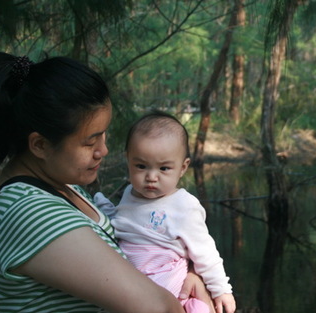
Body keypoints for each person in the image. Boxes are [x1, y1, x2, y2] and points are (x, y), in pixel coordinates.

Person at [0, 52, 211, 313]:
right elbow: (158, 307)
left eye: (103, 135)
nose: (103, 150)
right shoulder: (28, 211)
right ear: (40, 145)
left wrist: (185, 274)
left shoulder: (58, 185)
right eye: (90, 141)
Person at [94, 111, 236, 313]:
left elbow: (205, 252)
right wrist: (102, 207)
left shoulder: (184, 206)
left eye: (164, 169)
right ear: (128, 161)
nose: (151, 177)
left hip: (167, 280)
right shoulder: (130, 193)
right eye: (141, 166)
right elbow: (122, 222)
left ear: (183, 167)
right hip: (131, 282)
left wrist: (221, 289)